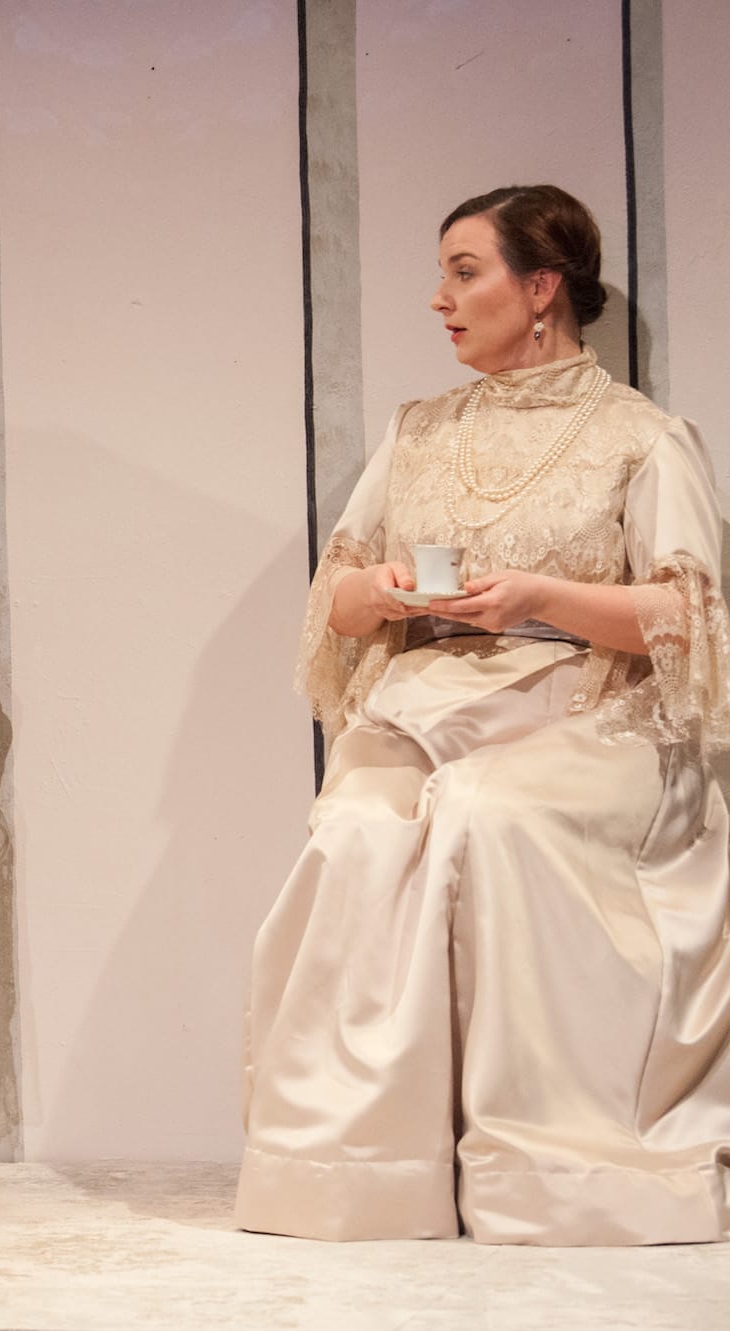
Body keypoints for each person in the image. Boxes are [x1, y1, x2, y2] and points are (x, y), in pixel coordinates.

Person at [237, 185, 730, 1245]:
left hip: (584, 715)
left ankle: (536, 1164)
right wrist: (384, 592)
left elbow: (683, 612)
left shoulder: (639, 437)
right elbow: (334, 597)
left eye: (464, 272)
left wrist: (538, 597)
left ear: (540, 286)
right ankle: (354, 1168)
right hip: (421, 706)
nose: (439, 299)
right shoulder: (415, 432)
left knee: (487, 813)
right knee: (361, 832)